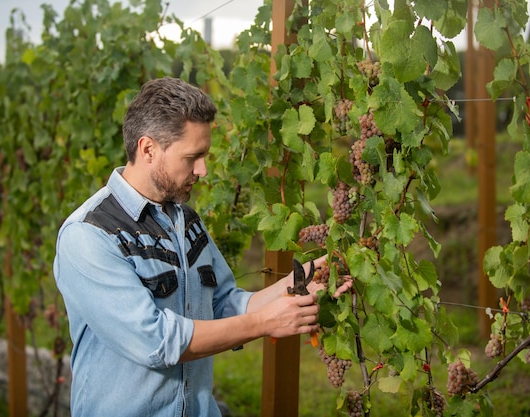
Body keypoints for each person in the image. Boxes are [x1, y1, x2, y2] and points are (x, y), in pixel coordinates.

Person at [53, 77, 350, 417]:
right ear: (147, 149)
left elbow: (224, 304)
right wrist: (266, 322)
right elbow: (156, 340)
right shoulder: (90, 234)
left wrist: (299, 285)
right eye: (193, 157)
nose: (203, 170)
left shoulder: (185, 219)